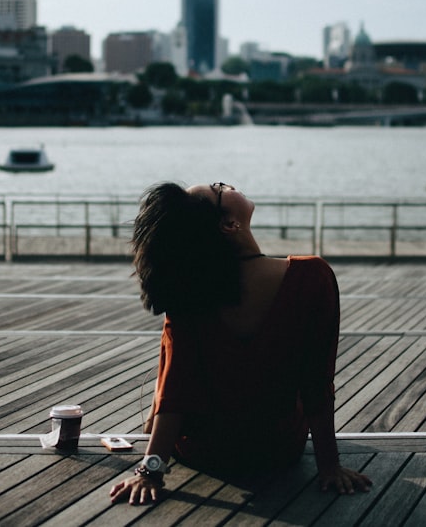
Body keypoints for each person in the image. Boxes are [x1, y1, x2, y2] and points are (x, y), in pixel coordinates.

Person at [110, 182, 372, 505]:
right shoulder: (312, 278)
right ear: (230, 224)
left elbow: (174, 393)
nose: (228, 184)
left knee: (173, 349)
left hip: (204, 452)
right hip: (279, 448)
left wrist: (150, 471)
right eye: (220, 187)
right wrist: (330, 467)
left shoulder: (191, 292)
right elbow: (317, 382)